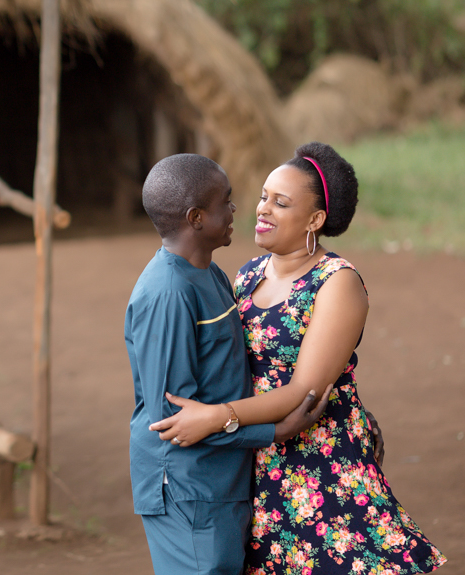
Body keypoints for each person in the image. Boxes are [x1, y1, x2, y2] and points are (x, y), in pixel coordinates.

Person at [149, 142, 446, 574]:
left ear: (315, 219)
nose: (262, 209)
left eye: (281, 202)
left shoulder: (337, 283)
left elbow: (304, 388)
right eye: (264, 196)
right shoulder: (248, 274)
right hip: (257, 456)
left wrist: (216, 417)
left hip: (320, 457)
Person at [125, 153, 329, 575]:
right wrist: (276, 430)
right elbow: (173, 419)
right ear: (197, 218)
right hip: (185, 487)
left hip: (217, 481)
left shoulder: (212, 276)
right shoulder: (168, 294)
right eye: (226, 202)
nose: (238, 210)